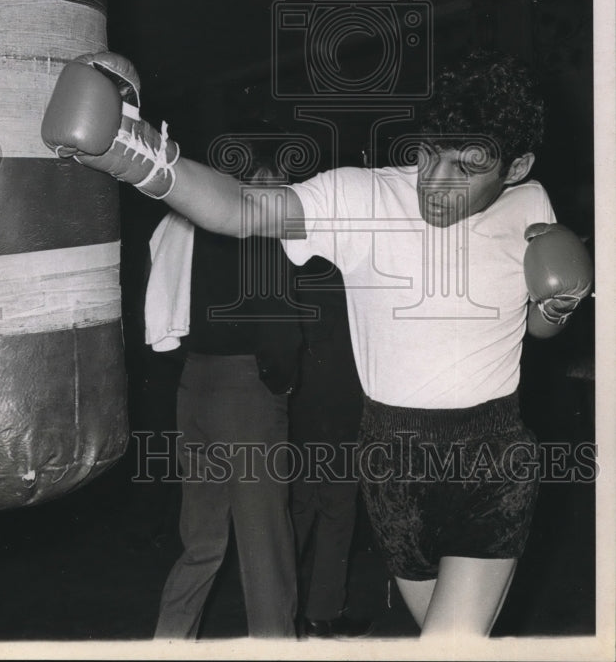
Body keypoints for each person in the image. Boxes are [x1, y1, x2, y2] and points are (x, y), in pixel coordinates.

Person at [41, 47, 594, 640]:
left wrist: (557, 309)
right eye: (430, 153)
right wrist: (136, 153)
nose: (435, 182)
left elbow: (534, 330)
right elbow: (242, 210)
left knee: (448, 646)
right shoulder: (364, 198)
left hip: (491, 460)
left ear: (515, 168)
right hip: (391, 468)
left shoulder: (532, 203)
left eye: (466, 167)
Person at [142, 144, 303, 640]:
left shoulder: (179, 225)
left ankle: (167, 643)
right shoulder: (256, 233)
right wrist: (284, 383)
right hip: (244, 392)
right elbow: (279, 330)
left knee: (202, 542)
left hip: (193, 385)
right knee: (265, 546)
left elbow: (162, 318)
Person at [289, 256, 372, 639]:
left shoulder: (292, 263)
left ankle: (283, 609)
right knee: (337, 510)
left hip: (300, 401)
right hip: (340, 400)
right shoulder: (349, 266)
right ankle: (320, 614)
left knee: (299, 507)